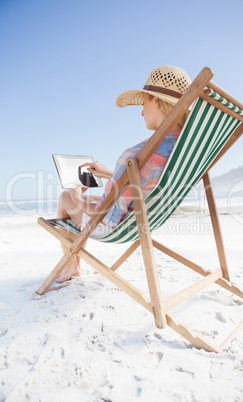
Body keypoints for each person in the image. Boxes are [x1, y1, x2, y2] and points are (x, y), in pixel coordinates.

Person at [56, 65, 192, 283]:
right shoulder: (184, 148)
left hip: (119, 225)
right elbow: (144, 181)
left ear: (156, 101)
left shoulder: (134, 154)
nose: (141, 111)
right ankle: (72, 265)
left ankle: (71, 265)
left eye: (144, 103)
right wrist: (110, 173)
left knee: (66, 198)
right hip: (150, 216)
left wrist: (78, 198)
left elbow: (106, 214)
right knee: (86, 197)